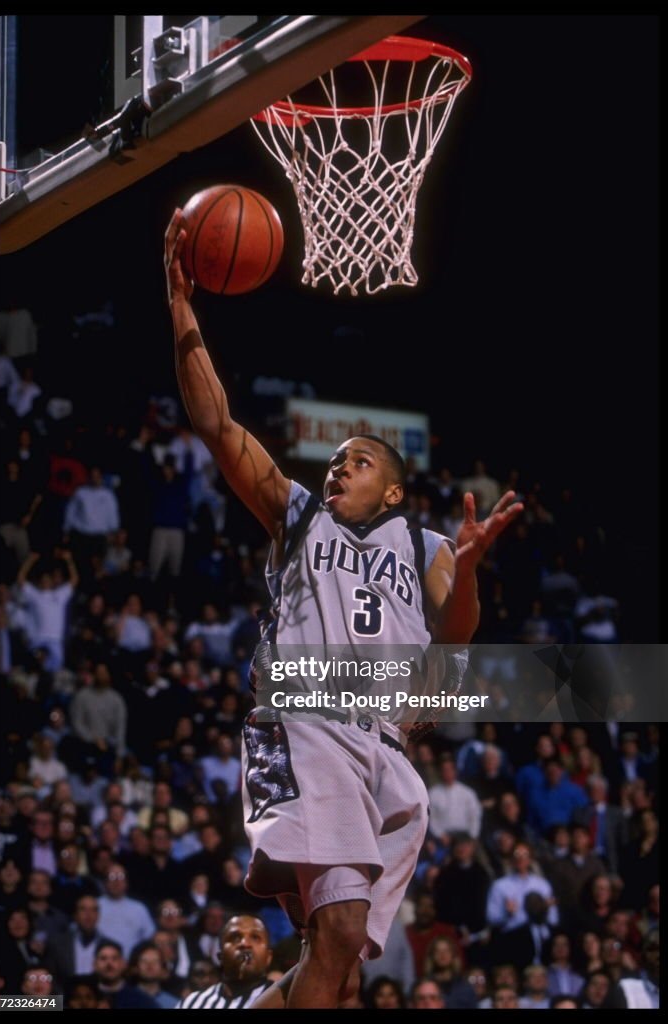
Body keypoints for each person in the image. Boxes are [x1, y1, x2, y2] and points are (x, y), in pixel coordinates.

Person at [164, 209, 523, 1010]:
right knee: (334, 936)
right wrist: (181, 302)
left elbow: (455, 633)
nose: (336, 470)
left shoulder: (428, 544)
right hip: (307, 723)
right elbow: (218, 426)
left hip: (385, 753)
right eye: (331, 461)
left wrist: (465, 571)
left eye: (355, 462)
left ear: (391, 489)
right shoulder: (297, 516)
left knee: (341, 966)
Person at [177, 914, 273, 1009]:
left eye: (255, 937)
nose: (245, 944)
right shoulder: (191, 1003)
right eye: (235, 938)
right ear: (220, 956)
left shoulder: (283, 1000)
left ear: (268, 957)